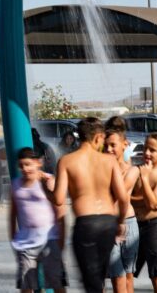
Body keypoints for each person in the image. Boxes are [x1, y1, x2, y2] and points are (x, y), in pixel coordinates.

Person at [41, 117, 128, 293]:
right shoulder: (109, 161)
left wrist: (44, 190)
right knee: (100, 278)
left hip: (86, 225)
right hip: (108, 222)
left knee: (91, 284)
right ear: (98, 137)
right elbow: (123, 197)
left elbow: (58, 199)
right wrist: (120, 222)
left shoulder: (66, 161)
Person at [10, 147, 67, 293]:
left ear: (37, 163)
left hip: (50, 239)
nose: (25, 169)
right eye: (21, 165)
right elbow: (12, 215)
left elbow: (60, 212)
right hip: (25, 243)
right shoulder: (15, 186)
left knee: (56, 284)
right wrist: (13, 238)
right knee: (26, 286)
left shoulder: (48, 181)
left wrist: (61, 241)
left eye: (28, 164)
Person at [131, 132, 157, 293]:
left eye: (152, 150)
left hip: (155, 227)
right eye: (145, 148)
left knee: (156, 273)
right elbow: (127, 197)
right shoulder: (138, 170)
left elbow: (153, 204)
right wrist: (145, 200)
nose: (147, 153)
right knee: (128, 270)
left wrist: (146, 180)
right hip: (136, 225)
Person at [105, 122, 141, 293]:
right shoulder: (103, 170)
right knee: (116, 275)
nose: (109, 149)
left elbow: (120, 193)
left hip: (129, 223)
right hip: (110, 224)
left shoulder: (132, 170)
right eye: (106, 146)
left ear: (124, 145)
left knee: (127, 276)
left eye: (113, 145)